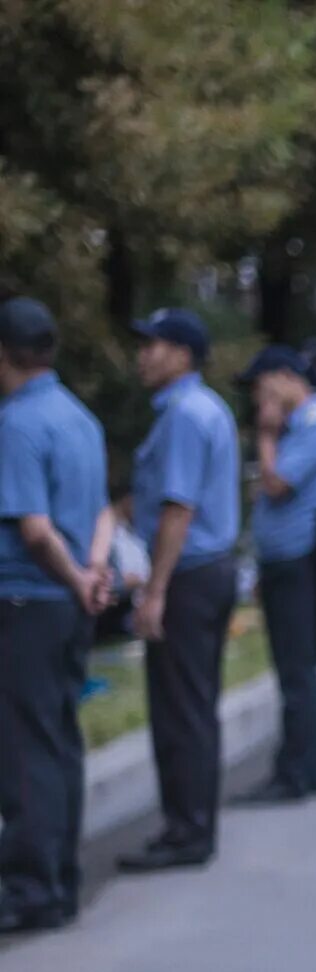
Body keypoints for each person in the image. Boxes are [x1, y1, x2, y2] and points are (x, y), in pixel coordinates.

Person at [0, 298, 112, 933]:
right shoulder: (80, 418)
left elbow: (36, 530)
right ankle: (61, 880)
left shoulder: (16, 425)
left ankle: (29, 888)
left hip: (28, 599)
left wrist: (72, 577)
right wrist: (92, 576)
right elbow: (99, 512)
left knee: (24, 751)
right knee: (61, 741)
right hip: (69, 603)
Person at [118, 308, 241, 873]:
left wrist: (155, 590)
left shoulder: (185, 416)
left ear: (184, 355)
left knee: (181, 709)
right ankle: (191, 824)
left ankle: (186, 830)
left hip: (188, 576)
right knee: (192, 704)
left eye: (156, 345)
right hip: (207, 570)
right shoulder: (196, 408)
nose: (143, 355)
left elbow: (177, 509)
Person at [232, 345, 316, 805]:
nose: (259, 399)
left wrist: (265, 432)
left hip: (299, 562)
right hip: (289, 560)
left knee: (297, 671)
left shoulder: (315, 429)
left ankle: (296, 772)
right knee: (296, 669)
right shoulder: (307, 427)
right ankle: (304, 765)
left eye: (262, 387)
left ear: (283, 378)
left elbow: (277, 483)